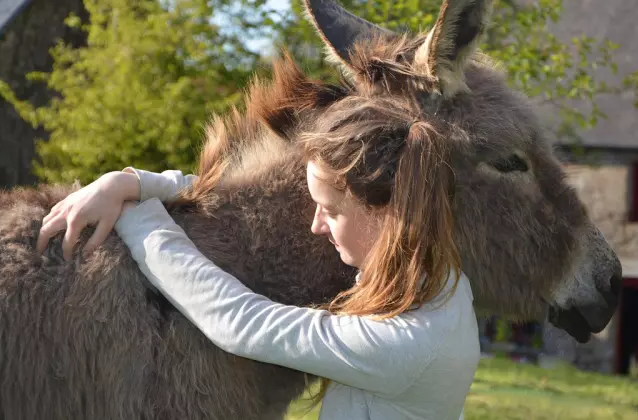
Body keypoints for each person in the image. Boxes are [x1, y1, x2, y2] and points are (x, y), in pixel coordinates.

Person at [36, 96, 481, 419]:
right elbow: (238, 201)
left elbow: (242, 324)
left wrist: (138, 217)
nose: (316, 226)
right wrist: (130, 182)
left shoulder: (410, 344)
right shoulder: (435, 277)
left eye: (330, 210)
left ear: (386, 213)